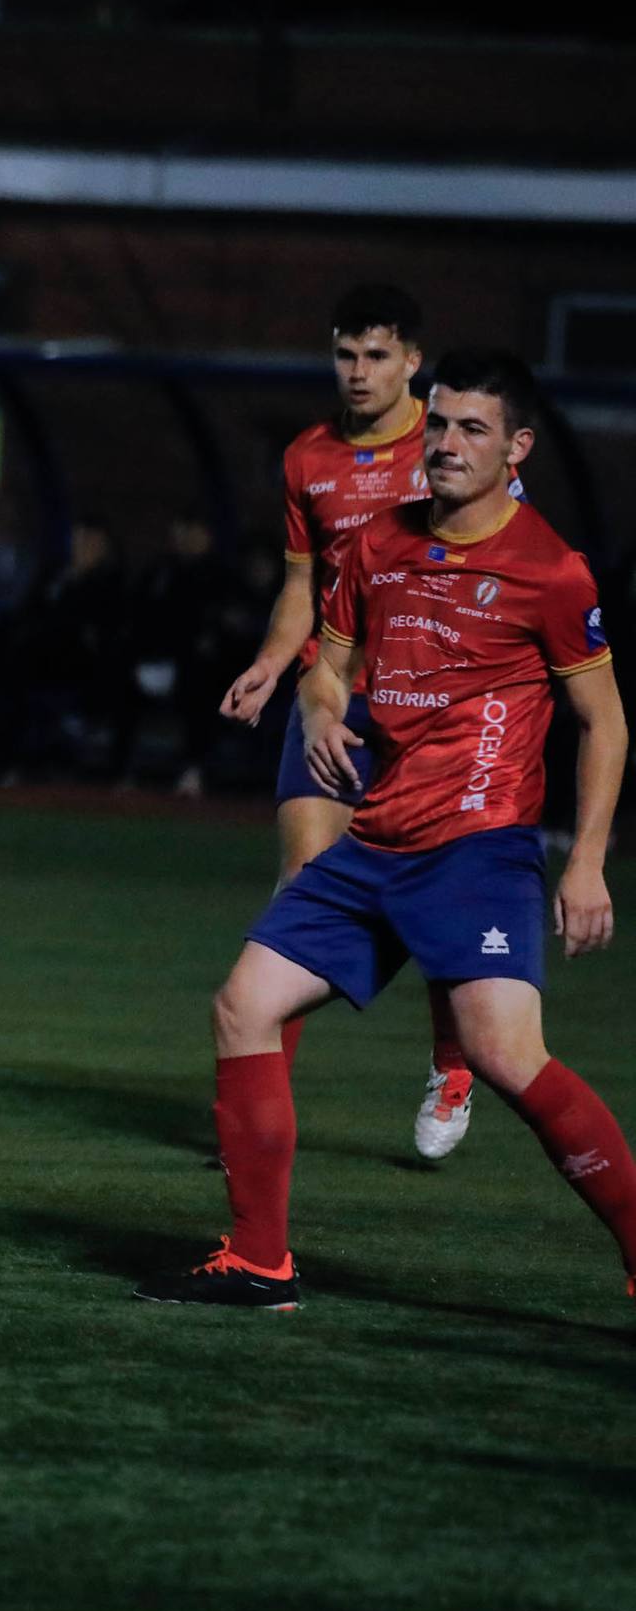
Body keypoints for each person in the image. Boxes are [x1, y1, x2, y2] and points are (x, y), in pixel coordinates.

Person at [142, 353, 628, 1310]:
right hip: (373, 841)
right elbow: (328, 664)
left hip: (478, 849)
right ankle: (257, 1261)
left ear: (516, 447)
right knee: (244, 1005)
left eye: (472, 430)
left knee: (503, 1056)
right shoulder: (375, 545)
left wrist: (586, 862)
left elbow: (604, 721)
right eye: (439, 425)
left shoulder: (550, 572)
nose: (445, 444)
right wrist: (320, 711)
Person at [215, 285, 481, 1158]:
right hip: (328, 693)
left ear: (412, 362)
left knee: (432, 897)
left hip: (428, 709)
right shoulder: (307, 458)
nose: (357, 372)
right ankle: (260, 1104)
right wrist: (267, 662)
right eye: (344, 354)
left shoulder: (447, 446)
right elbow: (302, 584)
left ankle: (452, 1062)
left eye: (375, 355)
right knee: (300, 890)